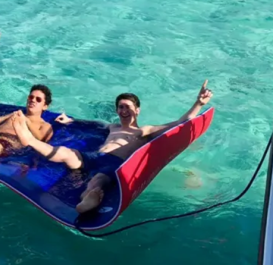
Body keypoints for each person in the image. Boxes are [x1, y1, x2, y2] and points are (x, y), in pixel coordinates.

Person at [13, 81, 214, 214]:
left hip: (112, 164)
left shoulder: (144, 130)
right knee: (67, 154)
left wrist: (198, 104)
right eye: (120, 107)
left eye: (127, 106)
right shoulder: (112, 127)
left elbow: (180, 122)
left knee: (98, 181)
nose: (123, 110)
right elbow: (90, 123)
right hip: (93, 157)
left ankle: (87, 201)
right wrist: (70, 120)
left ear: (137, 110)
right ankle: (29, 140)